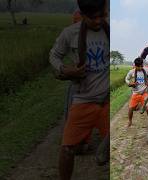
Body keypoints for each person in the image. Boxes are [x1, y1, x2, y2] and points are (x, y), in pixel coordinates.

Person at [49, 0, 109, 179]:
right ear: (82, 15)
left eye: (101, 16)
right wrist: (64, 70)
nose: (98, 21)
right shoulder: (71, 33)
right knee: (67, 149)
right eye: (93, 18)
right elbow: (54, 55)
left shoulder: (111, 30)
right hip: (84, 100)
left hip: (107, 100)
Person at [125, 57, 148, 127]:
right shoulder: (131, 72)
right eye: (139, 66)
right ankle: (130, 121)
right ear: (135, 65)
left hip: (144, 92)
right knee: (130, 108)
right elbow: (126, 79)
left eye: (142, 66)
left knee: (147, 108)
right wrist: (130, 83)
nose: (140, 68)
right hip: (136, 93)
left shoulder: (147, 70)